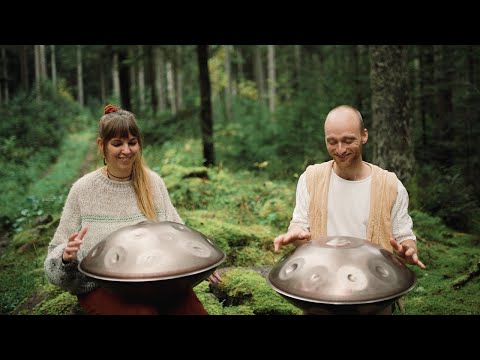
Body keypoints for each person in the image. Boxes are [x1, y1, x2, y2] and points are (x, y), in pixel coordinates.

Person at [44, 104, 222, 315]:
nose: (126, 151)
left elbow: (178, 233)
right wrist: (66, 256)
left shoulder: (153, 183)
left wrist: (201, 263)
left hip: (156, 281)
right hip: (102, 286)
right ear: (102, 145)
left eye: (132, 143)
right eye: (117, 143)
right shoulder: (83, 189)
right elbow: (55, 257)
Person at [273, 105, 425, 314]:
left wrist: (408, 250)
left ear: (364, 136)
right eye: (332, 142)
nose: (340, 149)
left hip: (373, 298)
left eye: (348, 140)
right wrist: (295, 234)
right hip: (320, 295)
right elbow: (300, 226)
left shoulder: (390, 185)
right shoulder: (310, 178)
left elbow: (404, 236)